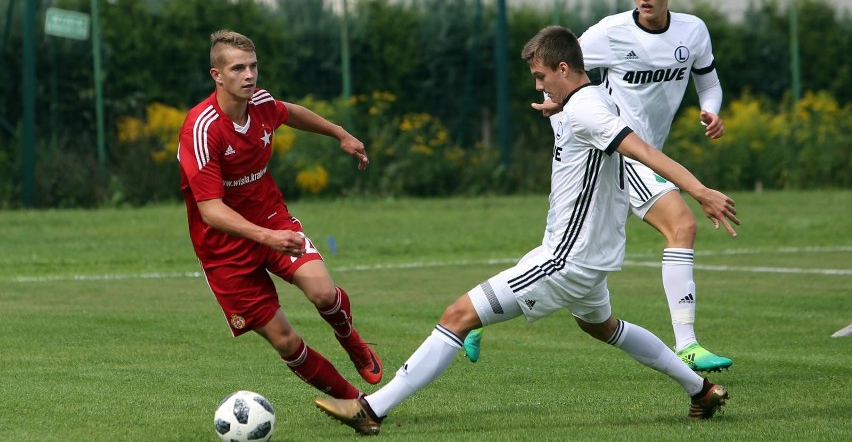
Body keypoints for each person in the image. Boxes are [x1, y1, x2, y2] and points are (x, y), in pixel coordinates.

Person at [314, 26, 738, 435]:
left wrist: (700, 191)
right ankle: (700, 390)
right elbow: (588, 124)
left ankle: (370, 410)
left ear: (564, 69)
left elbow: (642, 151)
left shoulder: (588, 109)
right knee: (602, 326)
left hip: (564, 259)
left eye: (541, 77)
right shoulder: (586, 102)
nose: (538, 87)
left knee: (457, 316)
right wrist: (563, 107)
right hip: (586, 258)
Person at [466, 0, 732, 372]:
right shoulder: (610, 33)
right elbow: (559, 64)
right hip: (622, 152)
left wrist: (711, 110)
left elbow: (709, 81)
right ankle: (688, 345)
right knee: (682, 225)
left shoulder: (693, 32)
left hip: (642, 151)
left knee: (565, 247)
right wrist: (556, 103)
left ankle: (483, 312)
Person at [177, 29, 382, 400]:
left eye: (253, 66)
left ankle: (350, 339)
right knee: (287, 341)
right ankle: (356, 405)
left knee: (323, 293)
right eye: (238, 68)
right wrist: (267, 238)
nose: (249, 75)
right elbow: (210, 211)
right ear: (217, 75)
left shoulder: (260, 102)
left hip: (272, 219)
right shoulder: (202, 128)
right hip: (224, 250)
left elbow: (288, 112)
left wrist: (339, 133)